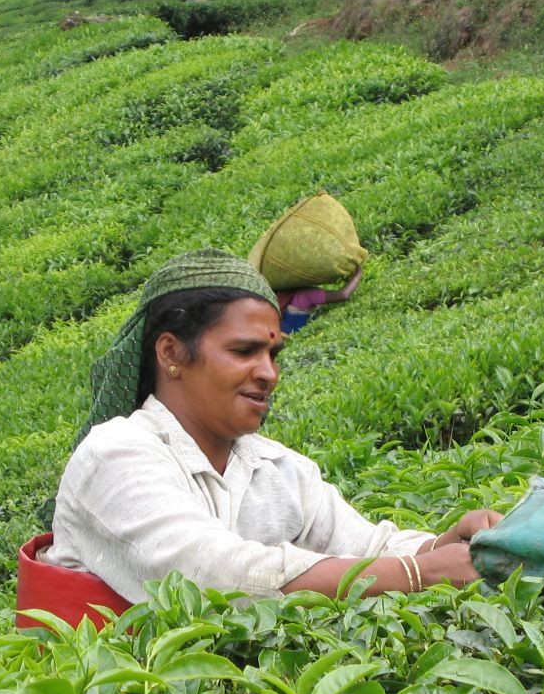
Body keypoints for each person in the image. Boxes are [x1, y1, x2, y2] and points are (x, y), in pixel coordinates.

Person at [40, 249, 501, 604]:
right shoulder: (117, 454)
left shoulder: (277, 466)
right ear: (171, 354)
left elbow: (368, 545)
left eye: (273, 354)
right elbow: (214, 575)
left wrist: (447, 545)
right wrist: (420, 574)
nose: (269, 373)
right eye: (244, 352)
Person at [277, 265, 362, 334]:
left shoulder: (281, 291)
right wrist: (358, 274)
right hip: (287, 333)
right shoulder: (305, 295)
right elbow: (344, 294)